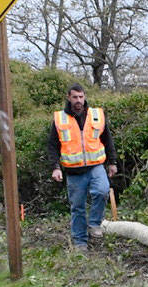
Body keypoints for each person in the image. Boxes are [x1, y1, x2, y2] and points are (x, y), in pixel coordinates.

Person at [47, 84, 118, 251]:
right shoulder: (60, 118)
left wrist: (113, 162)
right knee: (77, 207)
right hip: (74, 172)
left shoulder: (97, 115)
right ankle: (80, 243)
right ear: (68, 98)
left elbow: (108, 139)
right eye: (75, 97)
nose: (78, 100)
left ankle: (94, 225)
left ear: (84, 97)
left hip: (96, 166)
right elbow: (52, 146)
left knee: (102, 191)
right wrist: (55, 167)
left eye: (81, 97)